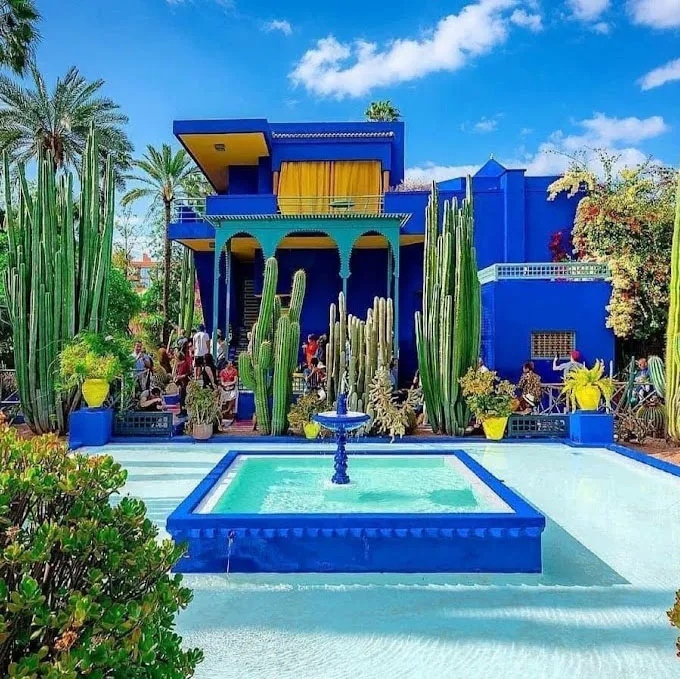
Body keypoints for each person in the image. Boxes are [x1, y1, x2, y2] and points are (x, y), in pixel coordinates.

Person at [174, 352, 192, 417]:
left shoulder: (185, 364)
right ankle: (181, 411)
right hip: (181, 383)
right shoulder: (179, 365)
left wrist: (181, 376)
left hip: (185, 383)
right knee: (181, 398)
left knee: (183, 398)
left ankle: (184, 412)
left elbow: (188, 373)